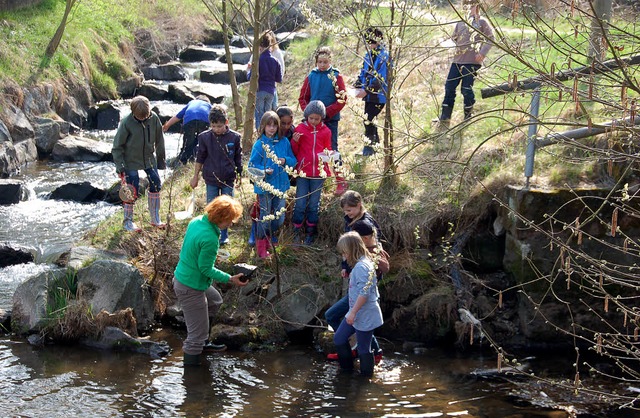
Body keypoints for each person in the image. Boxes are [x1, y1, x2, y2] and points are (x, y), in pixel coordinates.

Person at [173, 195, 248, 366]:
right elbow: (205, 269)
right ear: (220, 218)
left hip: (184, 276)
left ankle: (204, 342)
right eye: (229, 221)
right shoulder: (211, 239)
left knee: (215, 300)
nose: (231, 224)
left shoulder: (197, 221)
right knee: (194, 338)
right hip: (190, 286)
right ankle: (191, 380)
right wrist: (230, 279)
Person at [325, 191, 386, 363]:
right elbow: (351, 249)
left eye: (350, 210)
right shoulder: (356, 221)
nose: (347, 214)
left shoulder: (363, 225)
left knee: (332, 316)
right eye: (345, 211)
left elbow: (364, 249)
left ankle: (360, 348)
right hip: (359, 271)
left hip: (363, 274)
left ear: (359, 205)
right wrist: (345, 266)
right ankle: (365, 348)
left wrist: (353, 266)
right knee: (354, 317)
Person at [190, 104, 243, 245]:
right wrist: (195, 176)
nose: (216, 130)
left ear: (226, 122)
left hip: (228, 178)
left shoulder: (235, 137)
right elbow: (200, 158)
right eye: (213, 126)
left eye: (219, 126)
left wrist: (240, 175)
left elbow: (238, 158)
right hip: (211, 178)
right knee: (212, 208)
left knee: (227, 208)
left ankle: (224, 235)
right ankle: (211, 234)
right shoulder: (204, 138)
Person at [112, 95, 167, 231]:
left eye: (145, 117)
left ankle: (155, 218)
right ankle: (128, 222)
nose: (143, 119)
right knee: (132, 187)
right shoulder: (126, 123)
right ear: (133, 113)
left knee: (155, 182)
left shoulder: (154, 118)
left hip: (149, 158)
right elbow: (117, 147)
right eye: (140, 117)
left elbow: (160, 140)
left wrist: (161, 161)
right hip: (130, 160)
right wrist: (120, 167)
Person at [298, 46, 348, 196]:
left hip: (330, 120)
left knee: (331, 148)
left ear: (330, 61)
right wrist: (309, 113)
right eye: (319, 62)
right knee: (312, 148)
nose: (322, 65)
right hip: (312, 121)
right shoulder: (311, 76)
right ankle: (317, 176)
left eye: (325, 62)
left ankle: (340, 179)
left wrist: (327, 113)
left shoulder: (336, 76)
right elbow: (303, 97)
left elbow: (342, 99)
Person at [436, 0, 494, 128]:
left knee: (466, 89)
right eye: (467, 6)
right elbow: (454, 39)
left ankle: (468, 114)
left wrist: (482, 53)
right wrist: (445, 41)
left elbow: (491, 38)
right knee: (449, 87)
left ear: (477, 7)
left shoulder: (482, 22)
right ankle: (445, 116)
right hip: (457, 61)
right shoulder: (460, 22)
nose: (469, 8)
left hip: (471, 62)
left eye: (472, 6)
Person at [334, 231, 384, 377]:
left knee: (363, 348)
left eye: (344, 253)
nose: (343, 256)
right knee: (339, 338)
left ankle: (366, 378)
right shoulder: (360, 265)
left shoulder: (362, 266)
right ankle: (346, 370)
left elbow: (365, 292)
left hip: (364, 314)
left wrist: (353, 312)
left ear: (352, 250)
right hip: (356, 312)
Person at [248, 111, 297, 259]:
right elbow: (251, 167)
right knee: (265, 216)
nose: (272, 128)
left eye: (274, 125)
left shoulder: (284, 142)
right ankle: (261, 246)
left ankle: (269, 237)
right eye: (269, 125)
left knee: (279, 217)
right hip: (264, 187)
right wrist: (264, 171)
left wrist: (285, 161)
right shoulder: (259, 145)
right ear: (263, 126)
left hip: (281, 186)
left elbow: (293, 160)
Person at [291, 100, 332, 245]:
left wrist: (327, 164)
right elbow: (295, 152)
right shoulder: (300, 129)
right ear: (306, 116)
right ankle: (296, 230)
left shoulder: (326, 131)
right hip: (303, 172)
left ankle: (310, 232)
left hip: (318, 174)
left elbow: (328, 150)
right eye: (311, 118)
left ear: (322, 118)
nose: (314, 121)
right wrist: (295, 142)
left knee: (314, 204)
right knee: (301, 203)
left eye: (317, 118)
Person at [354, 27, 390, 157]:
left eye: (371, 41)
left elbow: (380, 78)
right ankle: (375, 146)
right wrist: (358, 84)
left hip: (378, 95)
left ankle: (369, 149)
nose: (369, 45)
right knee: (370, 119)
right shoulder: (368, 55)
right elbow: (364, 72)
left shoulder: (384, 56)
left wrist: (367, 90)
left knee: (368, 119)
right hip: (369, 95)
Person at [248, 31, 282, 131]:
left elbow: (250, 76)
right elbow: (279, 78)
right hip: (271, 91)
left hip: (260, 89)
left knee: (259, 115)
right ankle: (268, 133)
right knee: (268, 114)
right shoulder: (275, 61)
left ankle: (260, 134)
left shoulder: (257, 60)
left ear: (260, 47)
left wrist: (249, 70)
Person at [162, 95, 212, 164]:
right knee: (202, 141)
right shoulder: (208, 105)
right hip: (204, 121)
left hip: (189, 121)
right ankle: (200, 158)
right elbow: (214, 117)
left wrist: (167, 125)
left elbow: (178, 116)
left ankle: (183, 161)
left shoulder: (191, 103)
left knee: (188, 142)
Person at [267, 30, 285, 111]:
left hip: (272, 83)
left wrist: (278, 78)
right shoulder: (259, 52)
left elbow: (281, 68)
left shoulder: (277, 52)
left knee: (273, 106)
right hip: (260, 84)